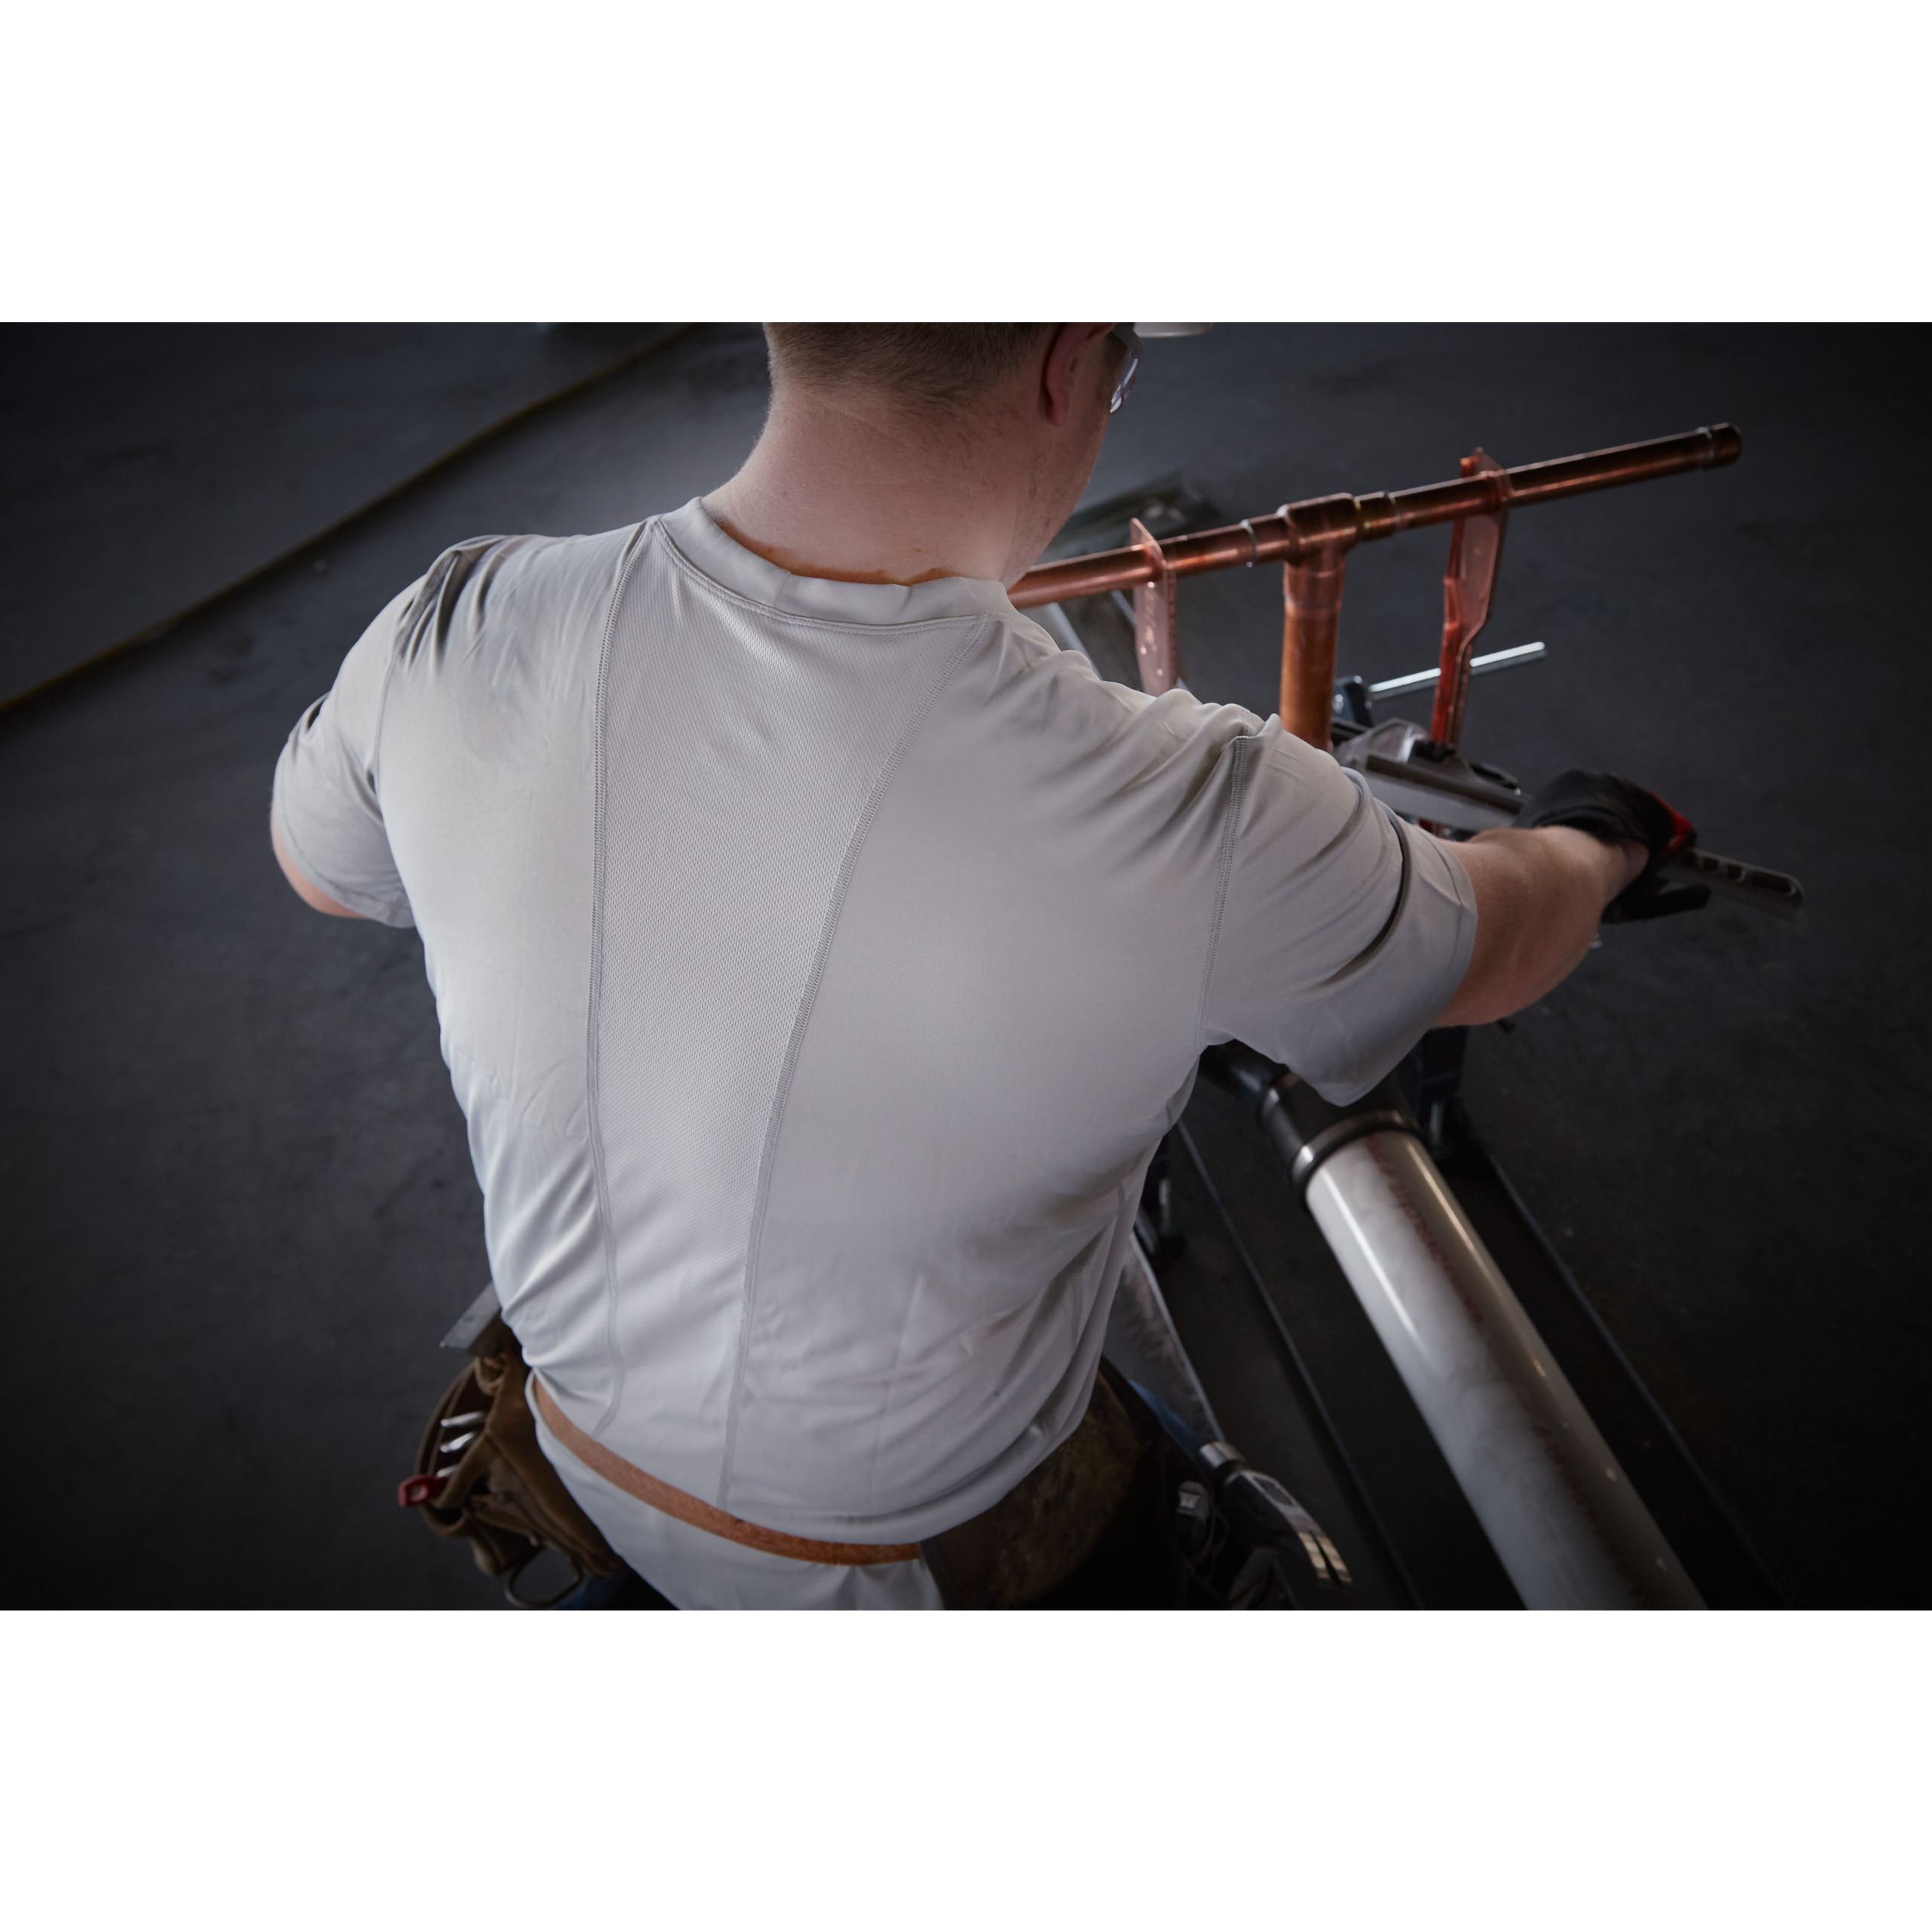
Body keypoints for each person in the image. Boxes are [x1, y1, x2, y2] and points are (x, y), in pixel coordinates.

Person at [269, 324, 1657, 1608]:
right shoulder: (1189, 806)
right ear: (1065, 362)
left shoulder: (456, 620)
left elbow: (320, 868)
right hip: (897, 1571)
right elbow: (1492, 943)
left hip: (570, 1454)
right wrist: (1600, 840)